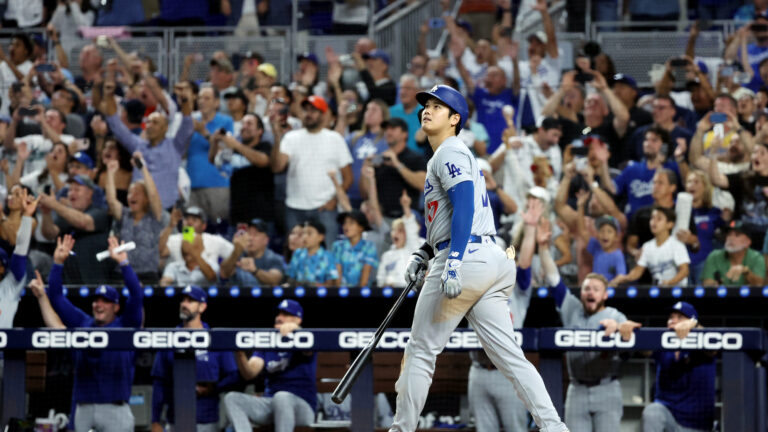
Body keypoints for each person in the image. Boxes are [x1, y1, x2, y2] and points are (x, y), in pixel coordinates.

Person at [390, 85, 567, 432]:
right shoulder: (447, 154)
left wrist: (452, 260)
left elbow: (466, 203)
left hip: (466, 256)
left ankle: (401, 430)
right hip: (489, 258)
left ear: (455, 119)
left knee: (421, 351)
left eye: (439, 107)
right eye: (427, 105)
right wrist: (425, 251)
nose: (428, 109)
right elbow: (449, 215)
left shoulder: (449, 151)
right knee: (511, 357)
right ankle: (554, 427)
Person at [47, 235, 144, 432]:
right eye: (96, 300)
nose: (98, 305)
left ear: (116, 307)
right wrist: (57, 264)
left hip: (115, 409)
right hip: (84, 408)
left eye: (105, 301)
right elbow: (56, 297)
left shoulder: (126, 325)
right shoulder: (82, 322)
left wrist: (124, 263)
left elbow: (136, 295)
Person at [151, 285, 239, 432]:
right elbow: (159, 382)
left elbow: (233, 376)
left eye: (191, 301)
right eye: (183, 300)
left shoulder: (216, 338)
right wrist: (155, 420)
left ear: (202, 307)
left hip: (207, 420)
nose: (184, 304)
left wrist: (211, 388)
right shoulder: (169, 338)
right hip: (175, 419)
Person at [225, 300, 317, 432]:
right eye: (279, 313)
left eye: (286, 314)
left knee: (282, 397)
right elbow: (249, 372)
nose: (279, 317)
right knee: (232, 398)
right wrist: (239, 353)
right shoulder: (268, 341)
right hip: (271, 403)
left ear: (298, 319)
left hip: (303, 406)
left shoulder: (306, 338)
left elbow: (309, 350)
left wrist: (297, 331)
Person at [271, 95, 353, 242]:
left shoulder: (335, 139)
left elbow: (348, 177)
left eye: (313, 111)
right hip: (294, 206)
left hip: (324, 208)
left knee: (328, 254)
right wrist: (277, 137)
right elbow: (277, 167)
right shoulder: (291, 138)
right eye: (306, 110)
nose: (308, 114)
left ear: (324, 114)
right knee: (295, 255)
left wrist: (334, 200)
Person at [103, 80, 195, 209]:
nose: (150, 126)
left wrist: (185, 101)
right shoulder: (137, 145)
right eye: (148, 122)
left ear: (165, 128)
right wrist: (108, 95)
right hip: (139, 212)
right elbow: (116, 125)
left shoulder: (175, 146)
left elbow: (187, 124)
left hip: (165, 211)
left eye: (155, 123)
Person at [636, 302, 716, 432]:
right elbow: (643, 348)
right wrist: (632, 332)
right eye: (671, 317)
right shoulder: (663, 346)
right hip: (669, 417)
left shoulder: (704, 342)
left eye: (679, 317)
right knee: (652, 411)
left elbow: (713, 349)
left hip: (697, 424)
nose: (672, 321)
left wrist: (696, 326)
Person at [39, 175, 112, 284]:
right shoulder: (65, 215)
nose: (72, 193)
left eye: (77, 189)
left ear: (89, 193)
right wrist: (46, 213)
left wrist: (54, 204)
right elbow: (50, 233)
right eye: (70, 190)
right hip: (68, 279)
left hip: (93, 279)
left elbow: (83, 222)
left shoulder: (99, 212)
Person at [105, 153, 164, 281]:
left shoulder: (154, 216)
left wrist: (142, 167)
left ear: (147, 199)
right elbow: (111, 201)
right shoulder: (125, 215)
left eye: (137, 192)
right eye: (130, 192)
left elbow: (154, 195)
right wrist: (110, 172)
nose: (132, 195)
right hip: (122, 272)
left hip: (147, 274)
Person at [610, 206, 690, 287]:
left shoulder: (677, 244)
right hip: (659, 292)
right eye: (652, 218)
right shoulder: (647, 247)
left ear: (670, 224)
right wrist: (623, 278)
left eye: (659, 219)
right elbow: (637, 272)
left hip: (678, 291)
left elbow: (684, 271)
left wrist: (669, 283)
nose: (653, 222)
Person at [0, 187, 36, 328]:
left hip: (17, 269)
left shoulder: (30, 221)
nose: (11, 197)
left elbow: (16, 243)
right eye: (10, 193)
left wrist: (2, 217)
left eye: (17, 194)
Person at [220, 218, 286, 285]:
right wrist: (236, 252)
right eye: (248, 234)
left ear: (266, 240)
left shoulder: (274, 258)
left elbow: (275, 280)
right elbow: (223, 274)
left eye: (255, 235)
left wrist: (254, 270)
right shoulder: (237, 255)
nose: (250, 238)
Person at [701, 220, 766, 286]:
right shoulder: (714, 256)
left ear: (747, 242)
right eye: (729, 234)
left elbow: (760, 284)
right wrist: (723, 280)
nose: (731, 238)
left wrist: (745, 271)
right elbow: (707, 285)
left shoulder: (757, 258)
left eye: (737, 235)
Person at [286, 219, 339, 287]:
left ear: (321, 237)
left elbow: (331, 283)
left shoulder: (328, 257)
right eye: (303, 233)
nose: (305, 237)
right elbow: (291, 278)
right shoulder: (297, 254)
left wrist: (312, 286)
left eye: (309, 233)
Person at [332, 210, 379, 287]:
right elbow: (337, 276)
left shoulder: (369, 247)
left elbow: (365, 279)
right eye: (344, 223)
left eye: (351, 223)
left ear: (361, 227)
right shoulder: (337, 246)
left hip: (363, 293)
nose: (346, 226)